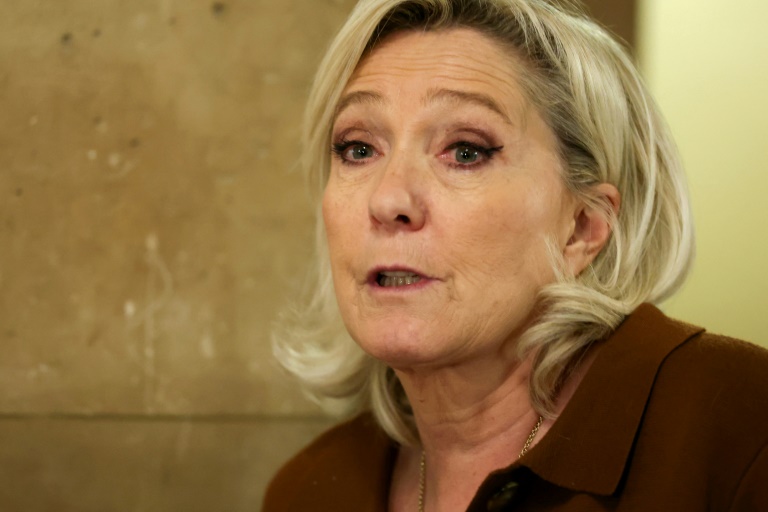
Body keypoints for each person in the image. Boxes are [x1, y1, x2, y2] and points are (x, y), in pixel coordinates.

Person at [263, 0, 768, 510]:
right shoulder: (307, 489)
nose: (388, 199)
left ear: (583, 226)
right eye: (358, 149)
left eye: (465, 151)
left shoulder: (742, 427)